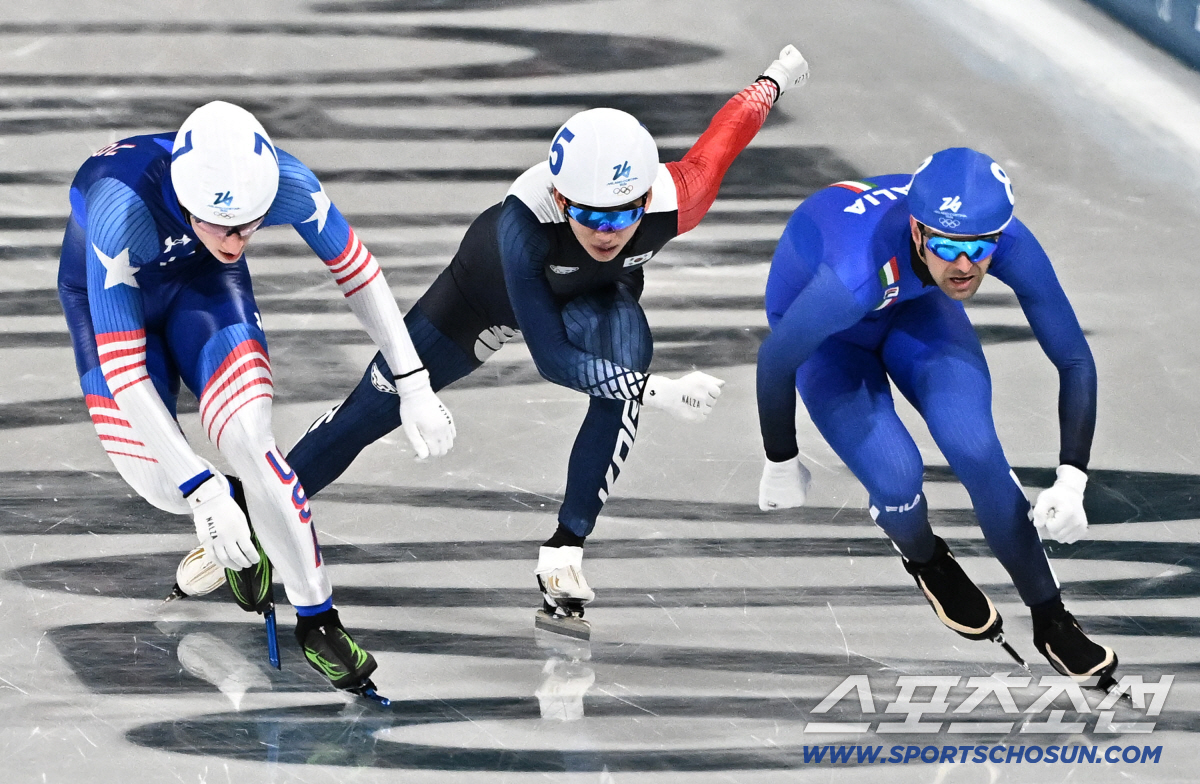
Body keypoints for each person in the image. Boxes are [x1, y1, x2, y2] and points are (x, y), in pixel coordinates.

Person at [278, 45, 812, 635]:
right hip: (480, 301)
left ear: (647, 199)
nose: (608, 233)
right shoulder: (523, 225)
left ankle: (565, 551)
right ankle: (254, 515)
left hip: (594, 299)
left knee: (624, 352)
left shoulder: (679, 198)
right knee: (371, 411)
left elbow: (727, 135)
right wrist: (657, 392)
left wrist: (776, 77)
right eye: (590, 216)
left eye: (624, 216)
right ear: (560, 200)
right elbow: (554, 358)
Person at [58, 101, 457, 694]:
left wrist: (413, 380)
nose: (243, 239)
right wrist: (200, 488)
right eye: (228, 227)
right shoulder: (122, 207)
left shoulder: (280, 182)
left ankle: (319, 621)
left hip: (203, 287)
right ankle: (239, 509)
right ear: (188, 203)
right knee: (165, 487)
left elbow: (357, 271)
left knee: (250, 438)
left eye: (253, 225)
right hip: (112, 307)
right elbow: (126, 373)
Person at [755, 148, 1118, 683]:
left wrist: (1072, 479)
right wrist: (781, 457)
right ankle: (926, 558)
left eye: (979, 248)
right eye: (948, 247)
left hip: (913, 305)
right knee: (897, 476)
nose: (966, 267)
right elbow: (774, 359)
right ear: (919, 232)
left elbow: (1073, 358)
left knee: (976, 448)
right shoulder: (855, 273)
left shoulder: (1004, 241)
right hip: (829, 336)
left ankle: (1053, 620)